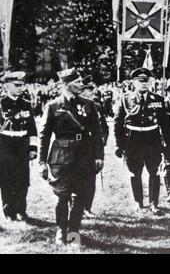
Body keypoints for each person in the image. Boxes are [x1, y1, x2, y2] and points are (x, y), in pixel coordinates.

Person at [38, 68, 104, 245]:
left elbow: (97, 133)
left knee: (81, 194)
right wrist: (41, 161)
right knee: (62, 195)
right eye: (77, 82)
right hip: (61, 155)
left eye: (81, 81)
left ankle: (74, 231)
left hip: (84, 154)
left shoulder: (89, 104)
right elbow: (44, 136)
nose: (81, 85)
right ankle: (61, 230)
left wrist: (99, 156)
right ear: (66, 84)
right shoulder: (53, 106)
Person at [113, 68, 166, 215]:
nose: (144, 83)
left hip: (152, 140)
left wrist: (166, 144)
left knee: (154, 172)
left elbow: (165, 124)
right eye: (140, 80)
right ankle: (138, 202)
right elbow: (117, 123)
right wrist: (119, 144)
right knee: (134, 172)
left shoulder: (158, 99)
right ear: (133, 82)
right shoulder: (125, 99)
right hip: (133, 141)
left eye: (146, 80)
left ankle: (154, 203)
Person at [0, 71, 38, 222]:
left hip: (22, 144)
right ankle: (9, 211)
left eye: (22, 85)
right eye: (17, 85)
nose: (20, 88)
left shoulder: (26, 104)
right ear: (7, 86)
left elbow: (32, 128)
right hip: (5, 144)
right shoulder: (1, 104)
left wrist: (33, 148)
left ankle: (21, 210)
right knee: (6, 179)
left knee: (22, 179)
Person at [80, 76, 109, 218]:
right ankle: (76, 209)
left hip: (92, 147)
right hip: (78, 147)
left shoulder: (97, 106)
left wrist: (103, 140)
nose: (92, 92)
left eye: (92, 90)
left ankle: (87, 208)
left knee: (91, 179)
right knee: (76, 179)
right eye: (88, 90)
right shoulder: (75, 106)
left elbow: (103, 127)